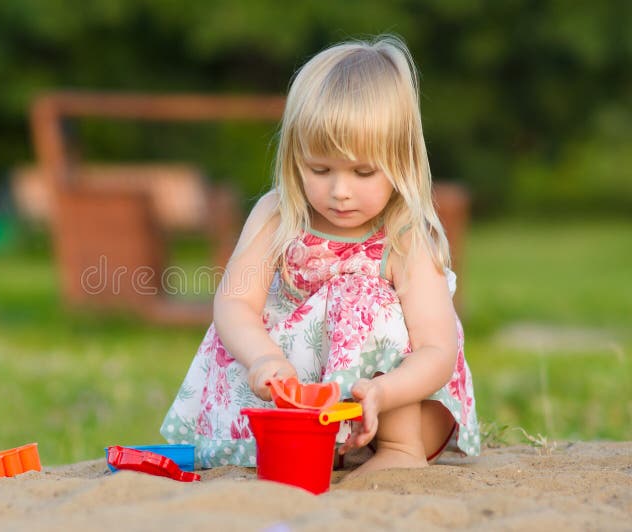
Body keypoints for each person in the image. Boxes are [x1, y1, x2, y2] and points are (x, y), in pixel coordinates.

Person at [160, 35, 480, 472]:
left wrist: (384, 393)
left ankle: (398, 453)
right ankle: (300, 443)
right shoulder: (279, 213)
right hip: (301, 399)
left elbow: (436, 350)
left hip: (395, 405)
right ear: (296, 158)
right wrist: (265, 358)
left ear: (401, 161)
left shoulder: (403, 235)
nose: (339, 191)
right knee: (246, 333)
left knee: (363, 298)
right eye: (320, 169)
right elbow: (235, 300)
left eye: (363, 172)